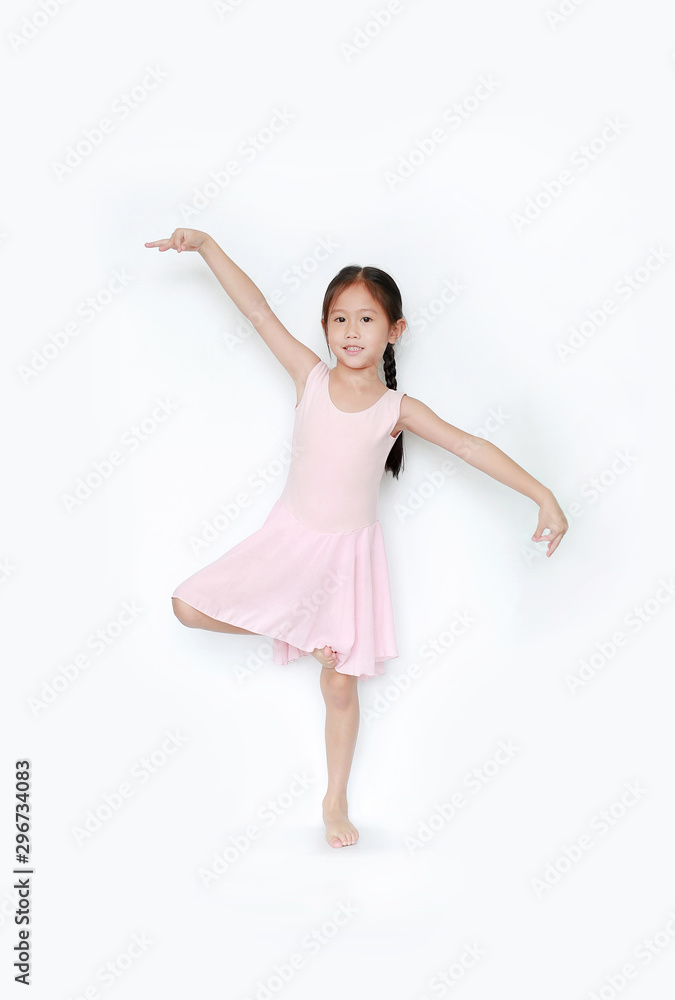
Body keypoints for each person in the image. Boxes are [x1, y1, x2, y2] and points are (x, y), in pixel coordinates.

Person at [144, 228, 568, 849]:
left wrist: (542, 494)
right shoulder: (309, 378)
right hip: (289, 539)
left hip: (345, 560)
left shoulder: (396, 408)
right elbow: (257, 310)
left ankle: (335, 799)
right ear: (323, 327)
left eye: (366, 318)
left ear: (393, 331)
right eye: (339, 317)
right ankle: (298, 628)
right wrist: (206, 246)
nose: (350, 329)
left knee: (340, 686)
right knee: (187, 606)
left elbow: (469, 445)